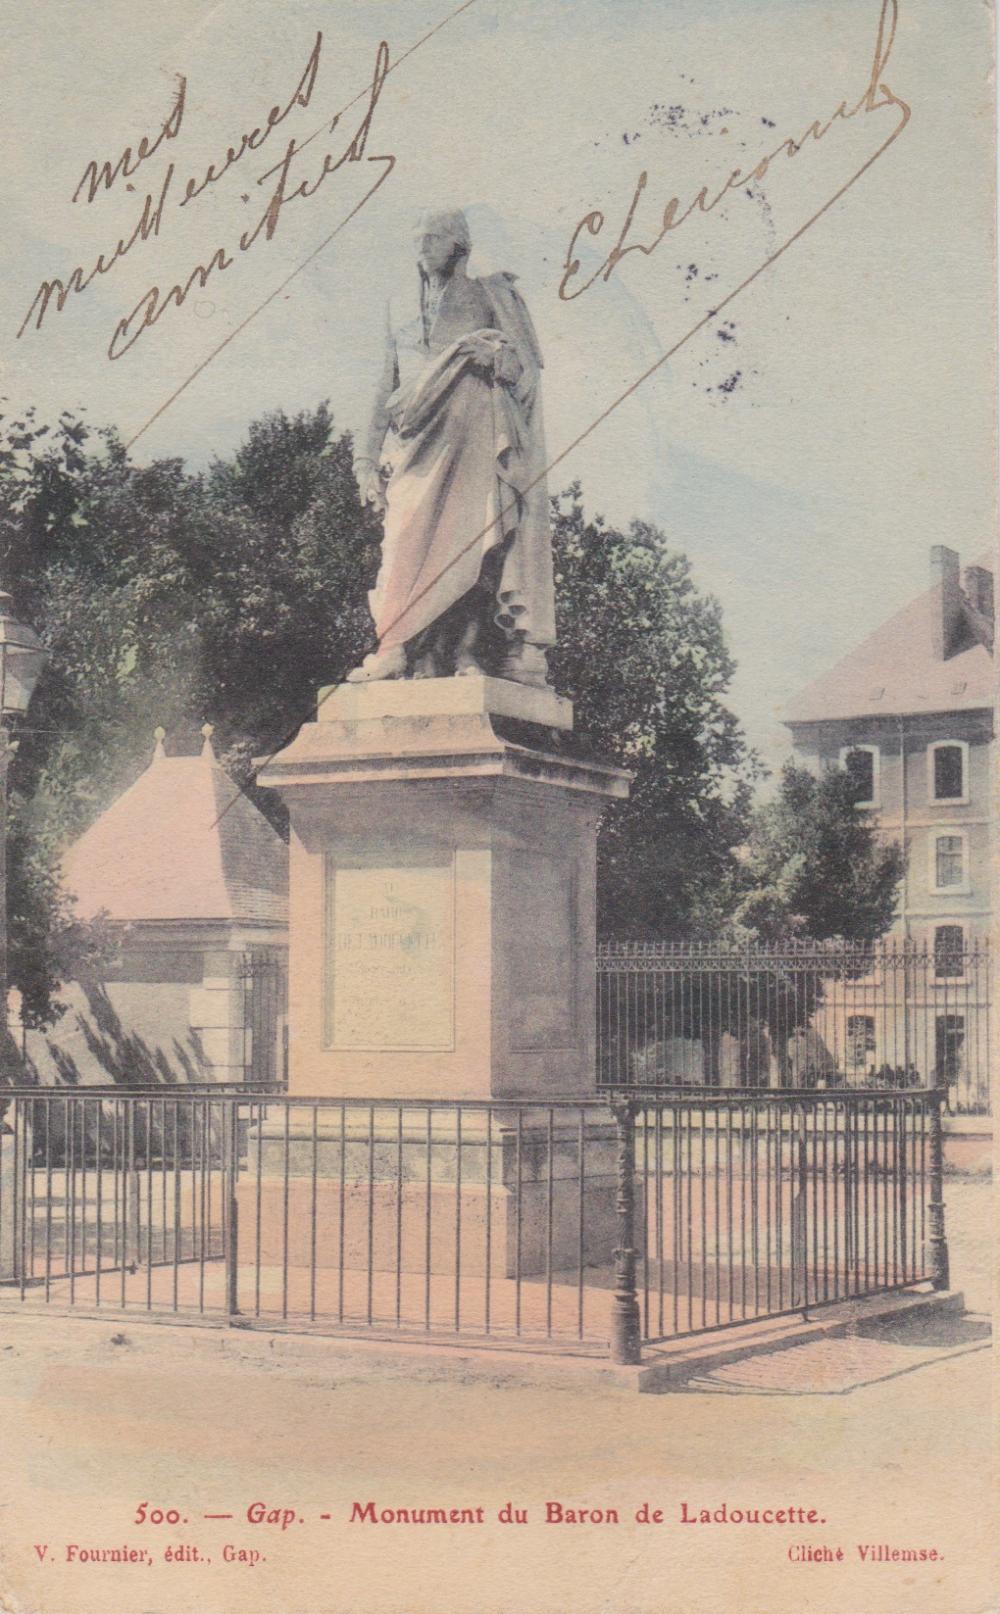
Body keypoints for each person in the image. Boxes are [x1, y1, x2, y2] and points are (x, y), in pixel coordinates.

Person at [348, 209, 555, 686]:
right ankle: (398, 648)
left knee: (477, 544)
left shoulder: (489, 295)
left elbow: (526, 370)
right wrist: (364, 457)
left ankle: (464, 653)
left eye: (434, 237)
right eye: (416, 238)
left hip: (476, 433)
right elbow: (385, 383)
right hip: (415, 440)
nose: (422, 246)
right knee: (403, 541)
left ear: (459, 244)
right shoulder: (398, 303)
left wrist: (498, 358)